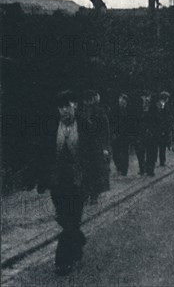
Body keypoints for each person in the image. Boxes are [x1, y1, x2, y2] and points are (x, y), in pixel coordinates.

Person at [27, 90, 105, 275]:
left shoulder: (86, 126)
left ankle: (62, 260)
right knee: (63, 218)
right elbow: (42, 155)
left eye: (67, 106)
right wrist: (37, 179)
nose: (64, 111)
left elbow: (94, 157)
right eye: (61, 107)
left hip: (79, 183)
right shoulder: (51, 127)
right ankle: (78, 241)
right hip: (57, 183)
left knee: (72, 219)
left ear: (75, 106)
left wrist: (95, 184)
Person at [79, 90, 111, 203]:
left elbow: (105, 131)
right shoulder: (81, 112)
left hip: (97, 146)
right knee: (86, 172)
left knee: (96, 172)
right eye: (86, 100)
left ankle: (94, 195)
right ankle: (86, 194)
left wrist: (105, 147)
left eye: (89, 99)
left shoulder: (99, 112)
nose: (87, 102)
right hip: (85, 147)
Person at [111, 93, 135, 176]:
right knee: (115, 152)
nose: (121, 103)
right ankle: (118, 166)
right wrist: (113, 133)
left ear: (126, 102)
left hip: (125, 135)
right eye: (120, 101)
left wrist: (131, 134)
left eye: (123, 101)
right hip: (116, 134)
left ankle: (124, 170)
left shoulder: (129, 110)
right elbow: (112, 122)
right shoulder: (114, 110)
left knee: (124, 152)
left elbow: (132, 123)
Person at [155, 91, 173, 167]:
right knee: (157, 146)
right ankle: (155, 160)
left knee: (162, 146)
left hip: (164, 129)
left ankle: (162, 161)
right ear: (165, 99)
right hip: (158, 129)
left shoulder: (166, 106)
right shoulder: (157, 106)